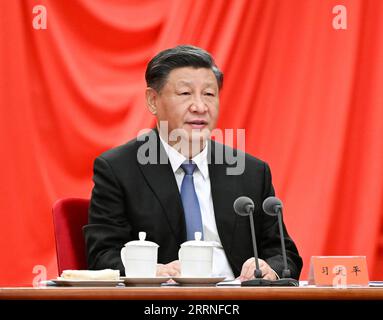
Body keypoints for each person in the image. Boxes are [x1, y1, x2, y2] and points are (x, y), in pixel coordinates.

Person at [84, 45, 302, 281]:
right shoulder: (118, 170)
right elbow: (102, 256)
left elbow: (284, 254)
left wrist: (269, 267)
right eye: (185, 93)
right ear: (152, 100)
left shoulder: (251, 172)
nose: (200, 106)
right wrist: (151, 271)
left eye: (209, 94)